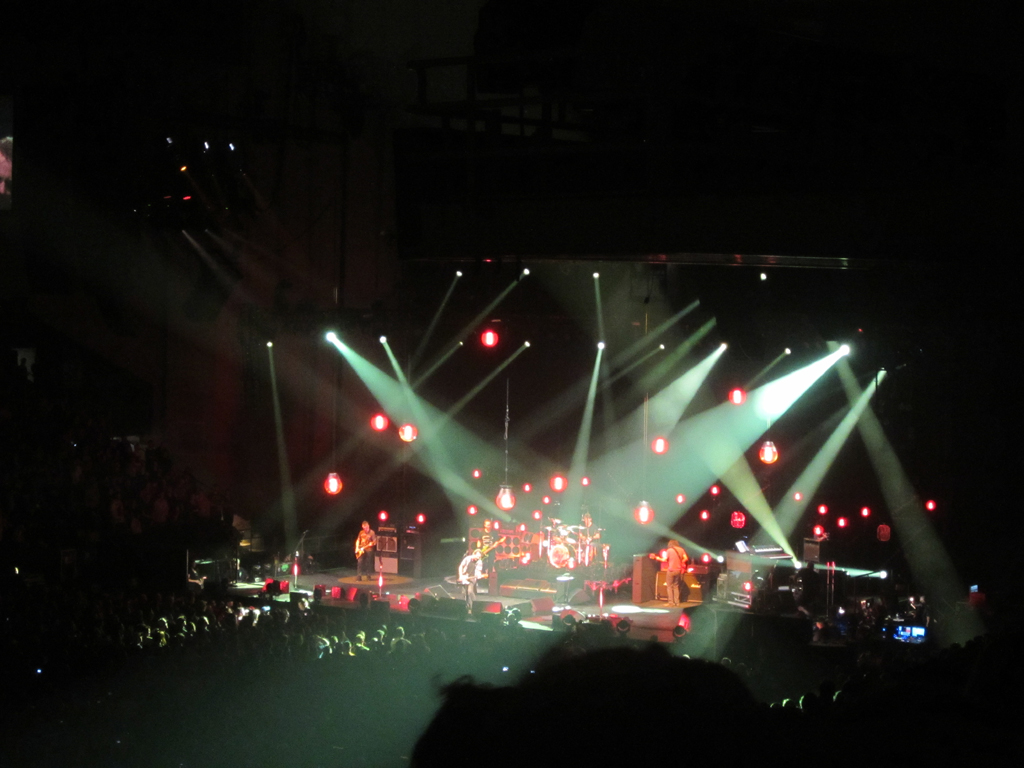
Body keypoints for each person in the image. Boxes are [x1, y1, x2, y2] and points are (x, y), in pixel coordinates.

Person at [649, 539, 689, 606]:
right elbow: (686, 558)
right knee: (676, 586)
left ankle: (671, 602)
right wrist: (681, 562)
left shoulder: (669, 550)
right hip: (678, 570)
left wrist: (656, 557)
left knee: (669, 586)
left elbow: (664, 560)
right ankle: (677, 602)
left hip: (671, 570)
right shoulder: (681, 550)